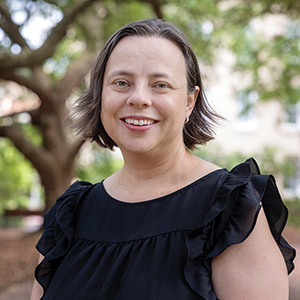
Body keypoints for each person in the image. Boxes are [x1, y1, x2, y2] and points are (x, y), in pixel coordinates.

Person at [31, 19, 295, 300]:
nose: (139, 98)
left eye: (160, 85)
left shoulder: (229, 212)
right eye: (122, 82)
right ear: (100, 95)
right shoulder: (70, 215)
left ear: (189, 102)